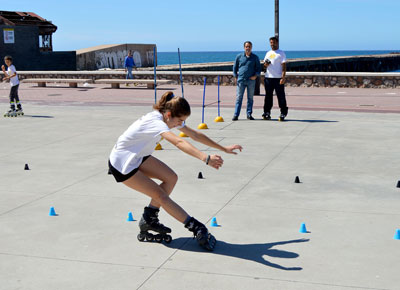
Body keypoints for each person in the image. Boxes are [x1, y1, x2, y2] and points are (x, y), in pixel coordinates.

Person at [108, 91, 243, 251]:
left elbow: (194, 135)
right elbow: (178, 142)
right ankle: (195, 226)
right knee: (160, 196)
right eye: (179, 121)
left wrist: (224, 148)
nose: (179, 124)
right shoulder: (156, 122)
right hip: (122, 164)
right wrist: (205, 158)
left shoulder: (168, 117)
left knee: (171, 177)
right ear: (169, 114)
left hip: (137, 156)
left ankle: (149, 218)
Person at [232, 41, 261, 121]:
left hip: (251, 81)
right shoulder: (239, 56)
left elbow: (258, 69)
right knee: (239, 98)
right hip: (241, 80)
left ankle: (249, 114)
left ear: (251, 47)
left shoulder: (255, 57)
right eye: (246, 46)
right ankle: (236, 115)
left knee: (250, 98)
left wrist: (255, 76)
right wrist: (235, 76)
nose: (248, 48)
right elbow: (235, 67)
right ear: (244, 47)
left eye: (249, 46)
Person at [262, 37, 288, 121]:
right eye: (270, 42)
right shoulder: (268, 53)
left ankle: (283, 112)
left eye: (273, 42)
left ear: (277, 43)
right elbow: (264, 65)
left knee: (281, 96)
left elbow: (284, 67)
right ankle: (267, 112)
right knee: (268, 96)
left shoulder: (281, 53)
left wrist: (283, 77)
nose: (272, 44)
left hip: (278, 78)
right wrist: (265, 65)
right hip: (268, 78)